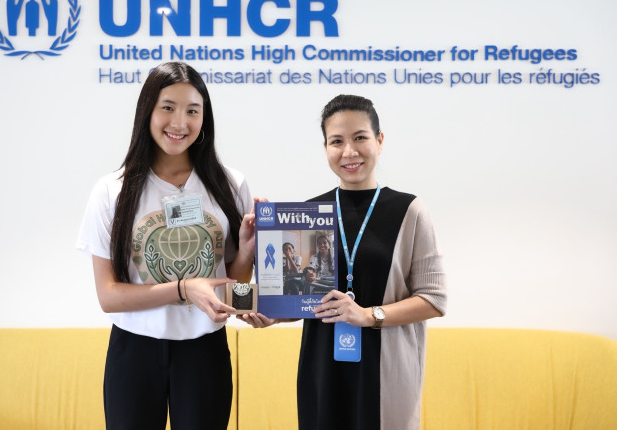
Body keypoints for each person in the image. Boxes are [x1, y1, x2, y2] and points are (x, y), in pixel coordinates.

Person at [241, 94, 447, 430]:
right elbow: (307, 301)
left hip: (386, 371)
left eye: (360, 138)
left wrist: (368, 315)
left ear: (379, 141)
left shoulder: (410, 211)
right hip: (322, 370)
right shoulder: (310, 213)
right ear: (326, 147)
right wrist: (274, 314)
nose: (349, 151)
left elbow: (434, 299)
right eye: (337, 141)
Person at [76, 62, 258, 430]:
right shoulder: (111, 191)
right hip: (134, 350)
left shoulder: (231, 185)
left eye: (192, 111)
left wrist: (246, 251)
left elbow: (232, 286)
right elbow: (108, 296)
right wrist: (183, 288)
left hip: (205, 349)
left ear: (205, 118)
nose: (180, 122)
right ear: (147, 111)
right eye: (168, 108)